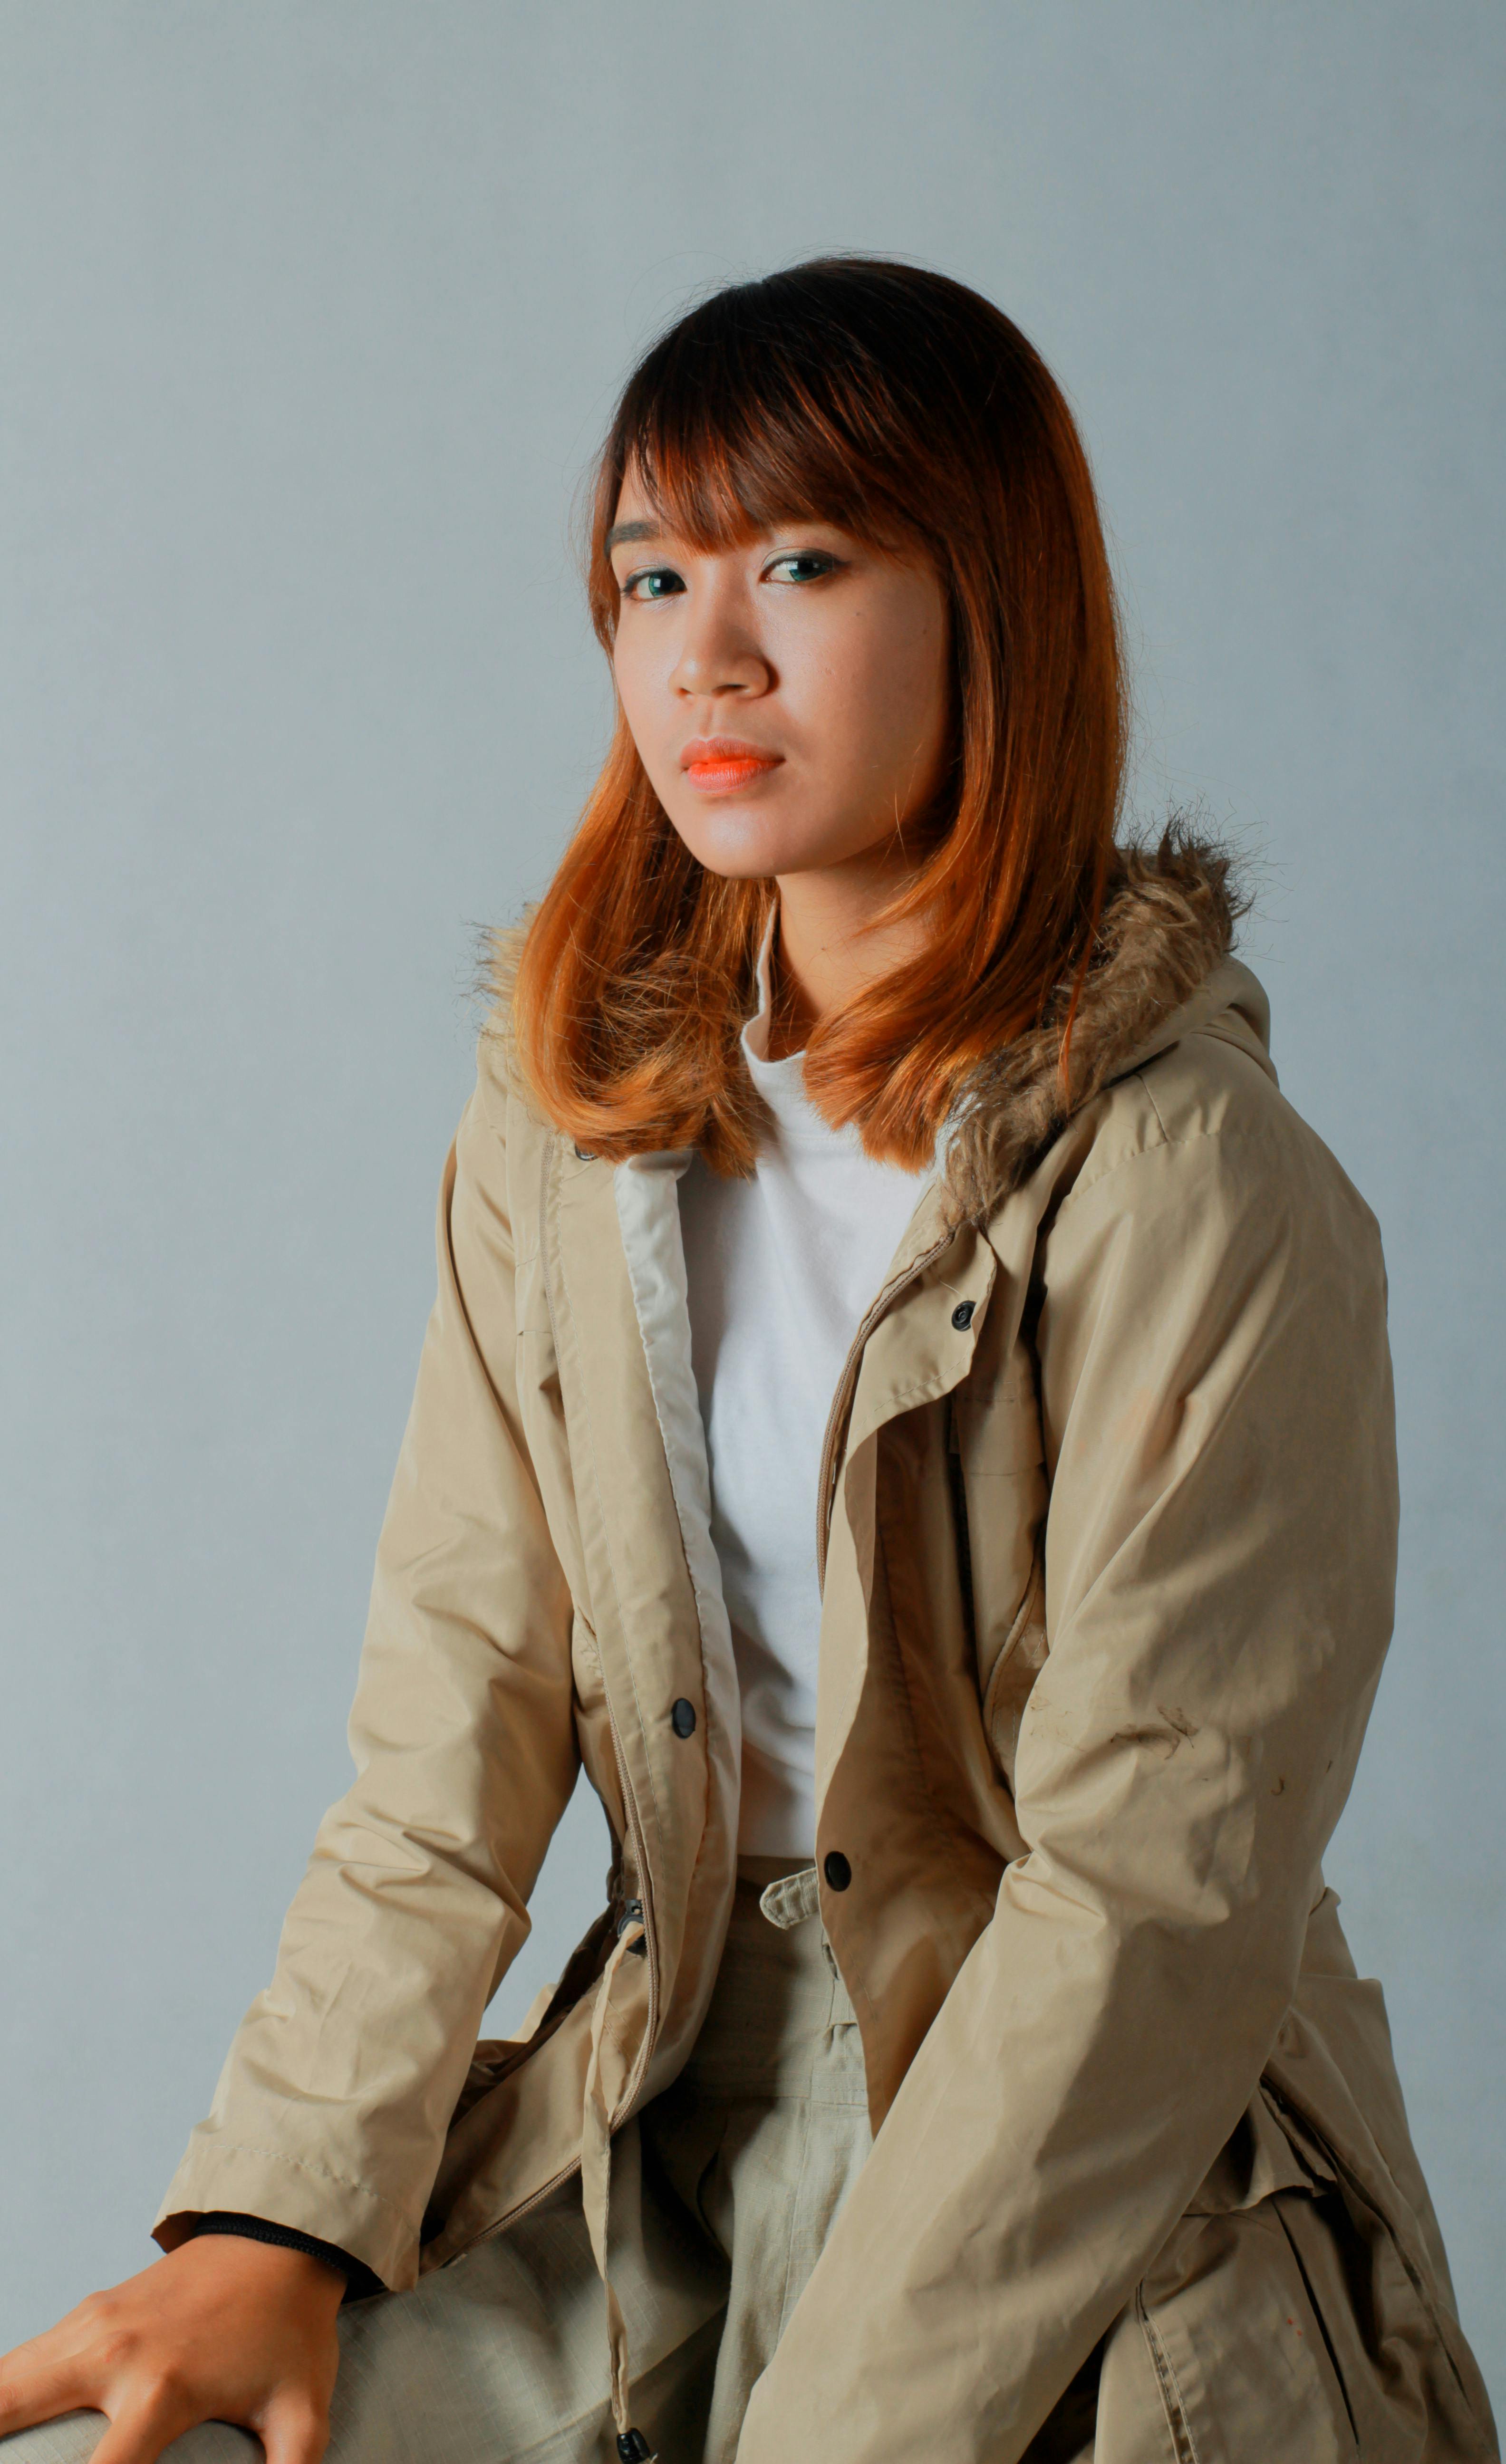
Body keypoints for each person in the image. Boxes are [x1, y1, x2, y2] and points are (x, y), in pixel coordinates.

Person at [0, 257, 1495, 2464]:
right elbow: (452, 1748)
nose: (706, 650)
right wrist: (274, 2219)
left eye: (804, 560)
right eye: (649, 576)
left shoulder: (1205, 1188)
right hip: (661, 2112)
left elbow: (1146, 1916)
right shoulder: (567, 1130)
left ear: (991, 600)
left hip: (1097, 2182)